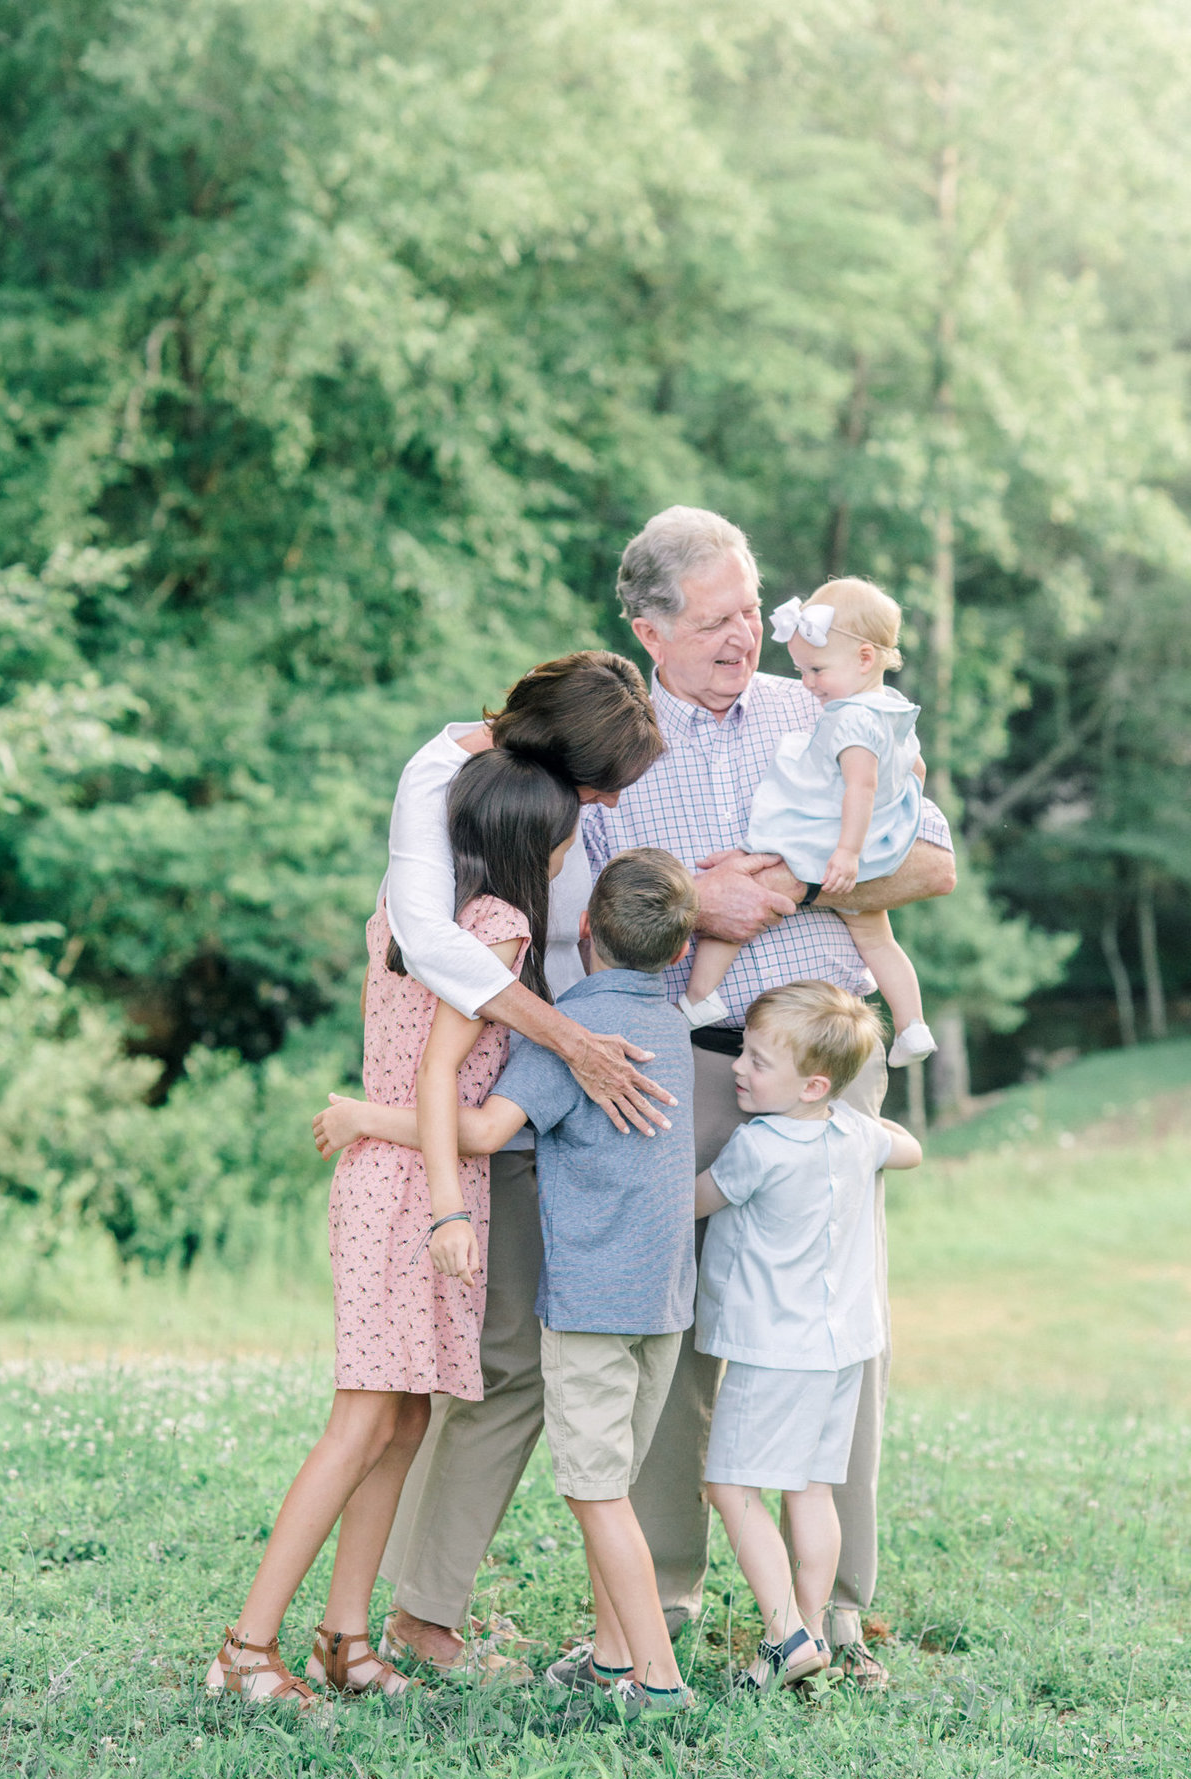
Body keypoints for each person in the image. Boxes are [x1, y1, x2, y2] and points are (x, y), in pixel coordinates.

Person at [375, 510, 955, 1688]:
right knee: (667, 1332)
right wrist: (699, 904)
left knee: (832, 1334)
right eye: (716, 619)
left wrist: (788, 895)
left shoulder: (822, 707)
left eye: (752, 609)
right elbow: (580, 919)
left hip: (826, 1064)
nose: (747, 635)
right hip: (677, 1059)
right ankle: (667, 1598)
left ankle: (837, 1604)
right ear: (648, 629)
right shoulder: (612, 749)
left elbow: (932, 862)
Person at [206, 750, 579, 1710]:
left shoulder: (404, 914)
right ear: (536, 843)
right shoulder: (498, 929)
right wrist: (432, 1181)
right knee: (364, 1418)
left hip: (399, 1173)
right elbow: (441, 1080)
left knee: (408, 1414)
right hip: (422, 1185)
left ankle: (345, 1638)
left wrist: (372, 1124)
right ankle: (246, 1649)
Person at [318, 849, 702, 1715]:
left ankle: (658, 1682)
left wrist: (363, 1118)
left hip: (588, 1309)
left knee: (596, 1492)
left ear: (582, 931)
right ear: (681, 952)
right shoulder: (682, 1026)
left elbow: (486, 1131)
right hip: (664, 1306)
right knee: (622, 1480)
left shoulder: (570, 1034)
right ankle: (612, 1660)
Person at [693, 983, 922, 1694]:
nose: (739, 1067)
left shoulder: (755, 1146)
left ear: (812, 1083)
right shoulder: (856, 1134)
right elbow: (909, 1149)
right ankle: (816, 1630)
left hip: (772, 1349)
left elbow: (692, 1202)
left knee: (730, 1485)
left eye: (759, 1061)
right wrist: (855, 1122)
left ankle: (786, 1633)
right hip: (841, 1349)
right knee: (812, 1488)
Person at [679, 577, 937, 1068]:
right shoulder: (896, 713)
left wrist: (845, 851)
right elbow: (915, 772)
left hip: (821, 836)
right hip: (877, 842)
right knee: (879, 941)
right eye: (802, 670)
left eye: (817, 669)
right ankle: (912, 1026)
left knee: (740, 892)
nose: (807, 684)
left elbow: (858, 786)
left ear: (864, 658)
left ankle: (698, 999)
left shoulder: (849, 718)